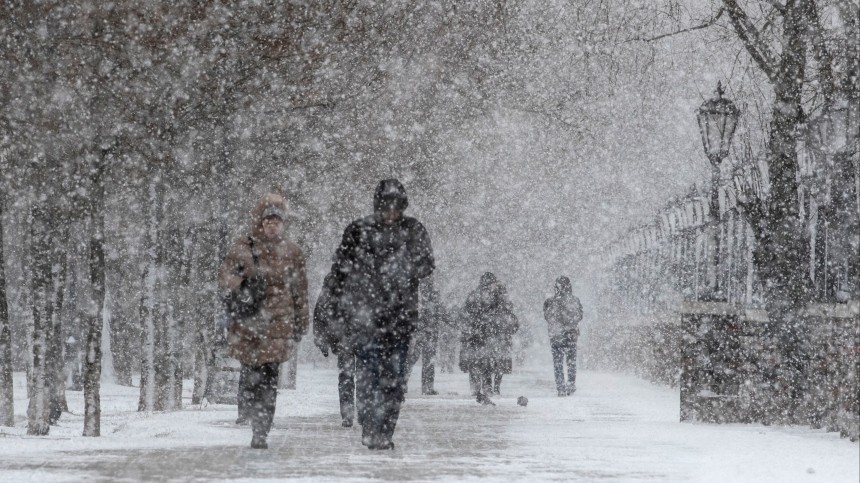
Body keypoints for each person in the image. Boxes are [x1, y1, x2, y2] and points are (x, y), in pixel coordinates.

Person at [329, 179, 435, 450]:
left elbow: (426, 264)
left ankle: (386, 430)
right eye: (386, 206)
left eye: (396, 206)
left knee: (395, 379)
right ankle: (368, 425)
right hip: (366, 319)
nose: (390, 212)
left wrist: (403, 268)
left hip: (400, 319)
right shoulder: (358, 230)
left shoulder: (413, 230)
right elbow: (340, 269)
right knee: (368, 374)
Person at [218, 193, 309, 449]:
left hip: (279, 325)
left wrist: (301, 323)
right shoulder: (243, 246)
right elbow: (225, 276)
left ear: (283, 223)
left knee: (269, 379)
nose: (272, 224)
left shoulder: (292, 252)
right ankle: (250, 413)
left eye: (277, 220)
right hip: (249, 324)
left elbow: (300, 290)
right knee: (251, 375)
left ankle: (261, 429)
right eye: (268, 220)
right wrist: (243, 286)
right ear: (260, 221)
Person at [460, 272, 517, 404]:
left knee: (479, 361)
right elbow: (508, 314)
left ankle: (480, 386)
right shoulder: (499, 296)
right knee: (492, 362)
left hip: (480, 334)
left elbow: (467, 314)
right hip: (492, 334)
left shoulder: (475, 296)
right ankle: (491, 387)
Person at [313, 272, 356, 427]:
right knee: (354, 376)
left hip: (346, 335)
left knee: (347, 376)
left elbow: (320, 310)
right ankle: (352, 413)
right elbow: (321, 309)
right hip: (355, 334)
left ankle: (348, 413)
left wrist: (322, 339)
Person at [407, 279, 449, 395]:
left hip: (419, 333)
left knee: (412, 360)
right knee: (428, 361)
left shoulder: (416, 297)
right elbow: (442, 313)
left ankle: (403, 384)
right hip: (428, 334)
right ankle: (427, 388)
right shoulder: (433, 298)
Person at [543, 276, 582, 396]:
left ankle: (560, 386)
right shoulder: (574, 300)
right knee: (571, 361)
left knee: (558, 362)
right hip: (570, 334)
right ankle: (570, 384)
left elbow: (547, 317)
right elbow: (579, 316)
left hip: (556, 335)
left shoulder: (550, 301)